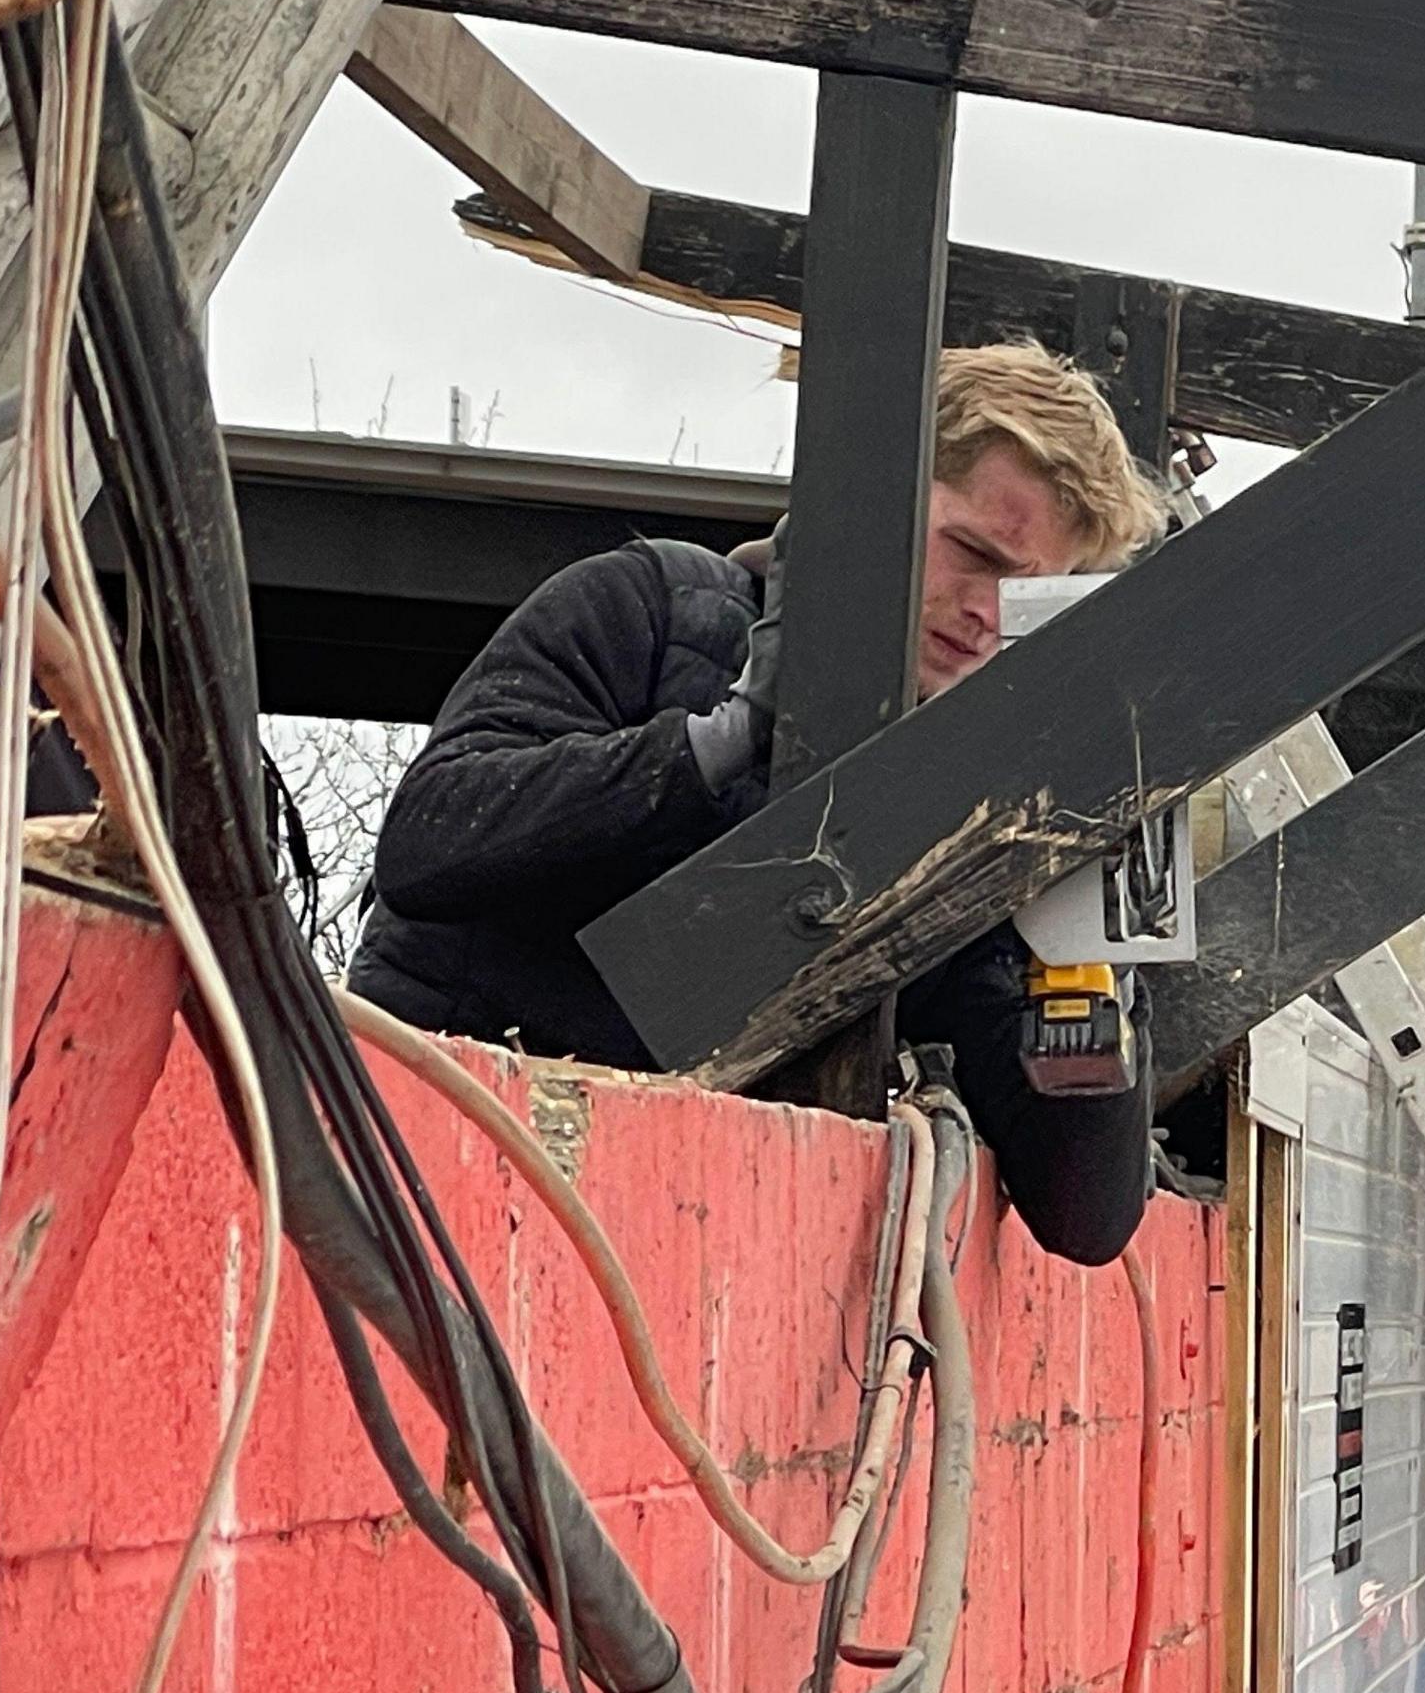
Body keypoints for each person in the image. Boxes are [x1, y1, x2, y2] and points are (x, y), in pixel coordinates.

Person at [348, 344, 1171, 1263]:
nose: (987, 609)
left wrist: (1088, 949)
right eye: (972, 552)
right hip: (419, 1191)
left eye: (1027, 594)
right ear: (872, 502)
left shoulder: (962, 822)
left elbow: (1085, 1214)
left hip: (684, 1278)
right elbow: (429, 841)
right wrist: (730, 737)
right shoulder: (647, 609)